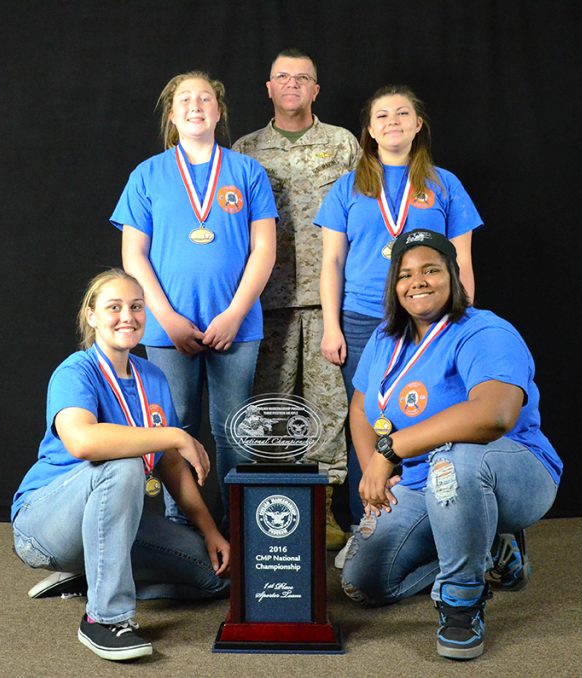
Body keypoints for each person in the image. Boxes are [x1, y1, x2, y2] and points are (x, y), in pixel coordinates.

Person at [338, 229, 562, 660]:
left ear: (454, 276)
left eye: (430, 270)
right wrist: (372, 473)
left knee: (455, 459)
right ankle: (488, 550)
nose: (417, 281)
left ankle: (461, 600)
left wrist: (391, 450)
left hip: (512, 472)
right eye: (405, 274)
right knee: (362, 582)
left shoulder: (484, 331)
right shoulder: (387, 339)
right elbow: (362, 408)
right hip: (421, 484)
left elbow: (493, 415)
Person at [11, 269, 231, 662]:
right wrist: (176, 436)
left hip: (107, 518)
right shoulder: (75, 371)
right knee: (124, 463)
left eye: (136, 307)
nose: (127, 316)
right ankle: (104, 618)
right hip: (42, 524)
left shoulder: (152, 376)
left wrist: (211, 531)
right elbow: (83, 442)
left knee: (211, 576)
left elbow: (172, 469)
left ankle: (89, 576)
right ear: (91, 316)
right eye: (114, 307)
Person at [316, 84, 484, 537]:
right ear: (369, 130)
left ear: (417, 124)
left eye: (402, 113)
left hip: (430, 320)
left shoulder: (444, 184)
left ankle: (434, 517)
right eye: (382, 116)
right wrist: (331, 325)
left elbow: (462, 260)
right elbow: (331, 261)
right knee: (369, 418)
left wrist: (460, 319)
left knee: (431, 412)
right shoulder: (348, 186)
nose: (392, 121)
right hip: (363, 319)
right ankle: (366, 523)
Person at [112, 71, 278, 527]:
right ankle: (182, 527)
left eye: (205, 98)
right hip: (168, 327)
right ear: (172, 114)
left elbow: (265, 250)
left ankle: (238, 529)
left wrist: (235, 313)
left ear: (218, 111)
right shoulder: (148, 174)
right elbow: (133, 254)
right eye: (184, 99)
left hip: (236, 326)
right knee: (176, 428)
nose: (195, 105)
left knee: (234, 432)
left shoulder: (247, 171)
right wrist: (165, 316)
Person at [232, 49, 359, 550]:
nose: (291, 84)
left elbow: (362, 213)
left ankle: (325, 512)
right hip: (265, 301)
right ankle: (273, 509)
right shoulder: (245, 149)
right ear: (268, 87)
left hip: (330, 299)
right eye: (282, 77)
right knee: (270, 409)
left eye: (302, 77)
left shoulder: (342, 144)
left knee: (330, 407)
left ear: (315, 90)